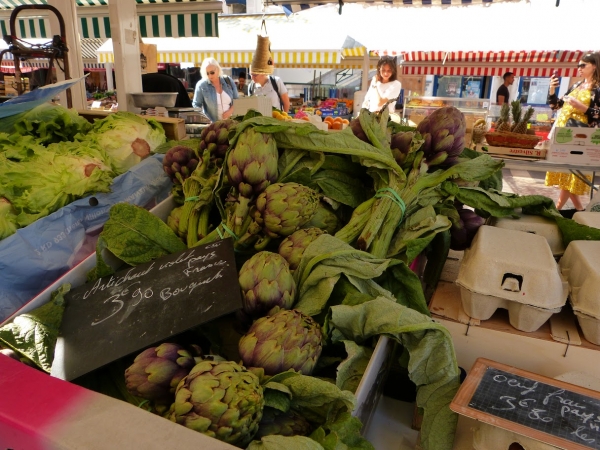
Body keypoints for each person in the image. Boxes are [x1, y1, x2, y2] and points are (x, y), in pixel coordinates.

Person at [544, 52, 600, 210]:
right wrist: (552, 90)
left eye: (583, 65)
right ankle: (578, 211)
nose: (579, 69)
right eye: (578, 66)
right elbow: (556, 105)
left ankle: (559, 209)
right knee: (567, 174)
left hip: (582, 137)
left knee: (572, 174)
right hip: (565, 135)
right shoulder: (576, 85)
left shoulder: (597, 89)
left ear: (594, 66)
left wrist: (582, 107)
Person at [192, 58, 238, 122]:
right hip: (213, 127)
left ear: (218, 69)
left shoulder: (228, 80)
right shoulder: (201, 85)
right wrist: (205, 120)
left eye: (212, 72)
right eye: (207, 73)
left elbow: (237, 101)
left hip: (231, 124)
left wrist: (230, 111)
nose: (210, 76)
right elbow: (196, 106)